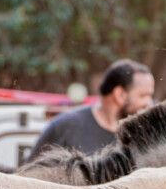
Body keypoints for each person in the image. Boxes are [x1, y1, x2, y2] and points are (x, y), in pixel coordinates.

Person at [27, 59, 155, 159]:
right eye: (143, 95)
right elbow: (30, 177)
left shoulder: (144, 136)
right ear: (119, 94)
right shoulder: (65, 128)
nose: (150, 103)